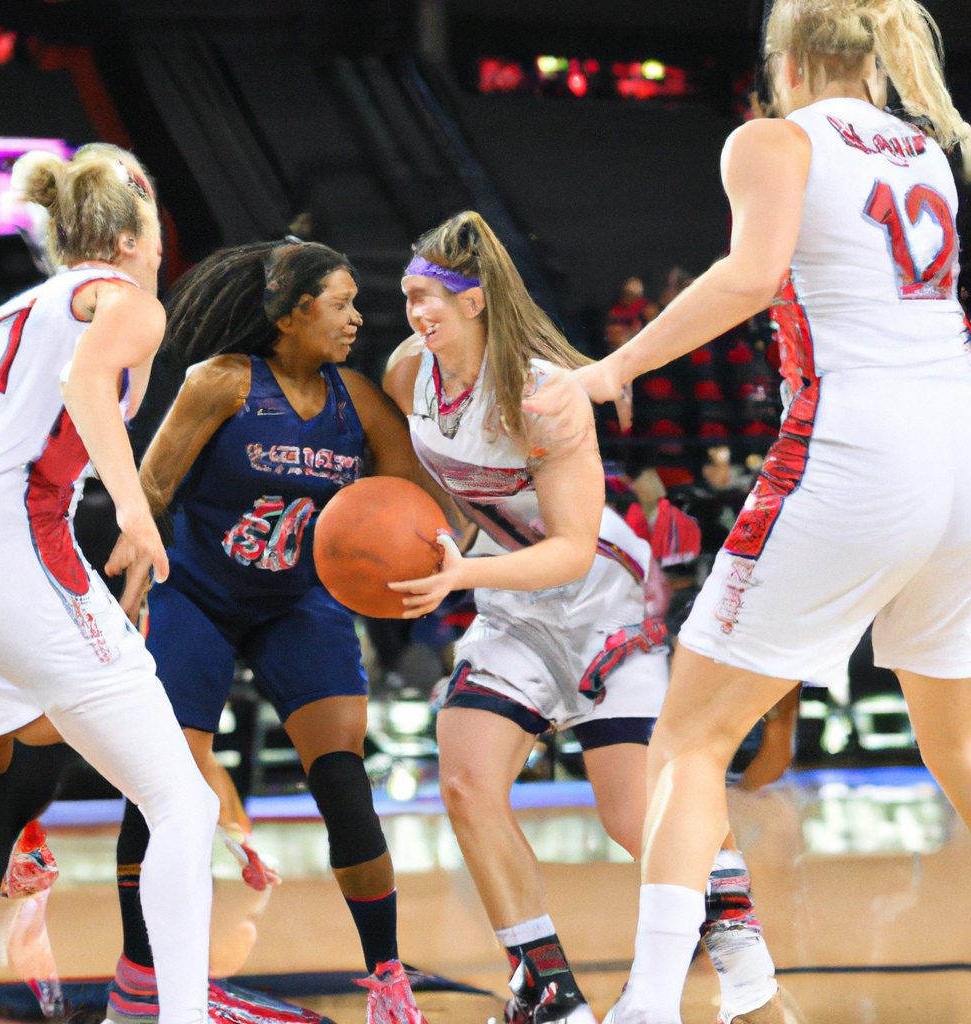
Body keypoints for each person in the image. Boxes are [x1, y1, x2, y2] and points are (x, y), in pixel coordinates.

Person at [527, 2, 971, 1021]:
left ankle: (647, 1004)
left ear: (785, 60)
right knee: (953, 744)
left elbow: (750, 274)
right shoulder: (921, 149)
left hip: (858, 451)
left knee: (685, 739)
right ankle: (734, 994)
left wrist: (613, 368)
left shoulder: (773, 139)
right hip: (952, 447)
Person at [384, 212, 780, 1024]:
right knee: (463, 780)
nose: (416, 313)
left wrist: (462, 571)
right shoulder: (406, 372)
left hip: (598, 595)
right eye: (408, 296)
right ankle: (545, 986)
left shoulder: (542, 395)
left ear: (476, 303)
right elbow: (456, 492)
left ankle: (732, 918)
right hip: (507, 595)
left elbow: (567, 549)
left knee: (632, 816)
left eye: (430, 298)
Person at [109, 240, 461, 1024]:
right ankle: (141, 974)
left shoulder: (357, 399)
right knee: (165, 789)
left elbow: (415, 494)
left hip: (299, 600)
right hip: (196, 594)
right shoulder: (223, 383)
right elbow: (152, 490)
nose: (356, 320)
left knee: (342, 780)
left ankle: (388, 980)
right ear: (293, 313)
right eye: (341, 305)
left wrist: (451, 548)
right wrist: (120, 597)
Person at [0, 144, 219, 1024]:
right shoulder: (130, 301)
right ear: (142, 234)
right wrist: (137, 513)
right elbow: (87, 381)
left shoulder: (2, 315)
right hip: (2, 545)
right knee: (182, 800)